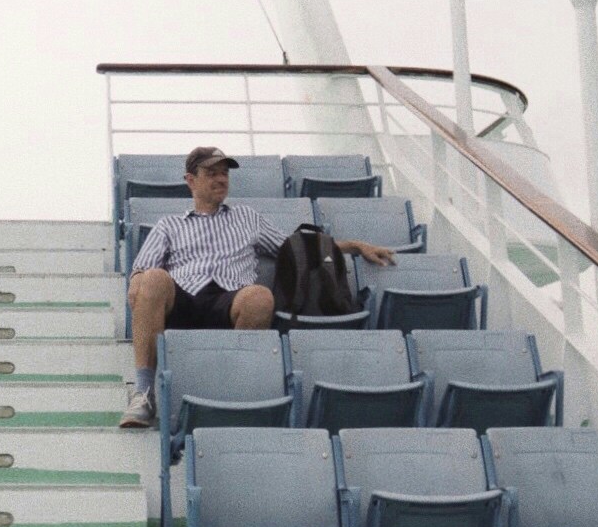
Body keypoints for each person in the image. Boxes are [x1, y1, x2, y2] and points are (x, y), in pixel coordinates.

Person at [119, 144, 397, 427]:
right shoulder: (169, 225)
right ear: (191, 180)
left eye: (225, 173)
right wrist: (141, 283)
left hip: (230, 299)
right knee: (151, 278)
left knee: (260, 296)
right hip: (183, 298)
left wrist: (355, 246)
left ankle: (236, 391)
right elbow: (140, 271)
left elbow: (295, 248)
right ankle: (144, 392)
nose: (221, 179)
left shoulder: (247, 218)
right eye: (211, 173)